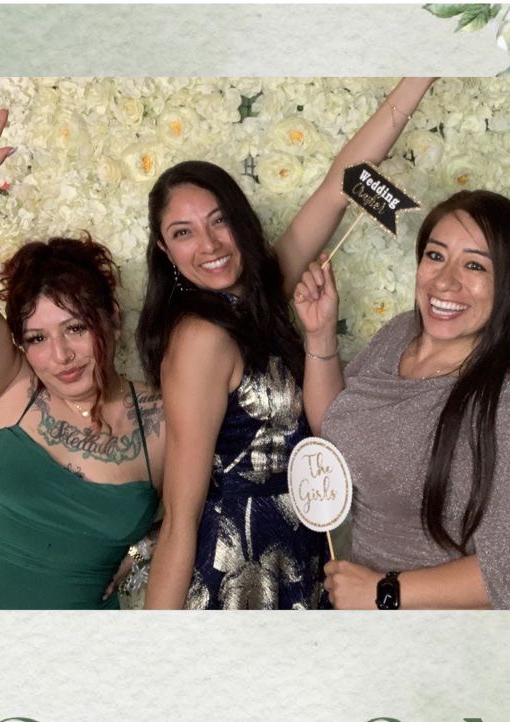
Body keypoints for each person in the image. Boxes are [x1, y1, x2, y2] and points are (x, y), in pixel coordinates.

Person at [140, 78, 435, 610]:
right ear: (165, 250)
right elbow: (181, 514)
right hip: (239, 566)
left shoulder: (259, 296)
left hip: (297, 544)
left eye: (219, 221)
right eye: (183, 233)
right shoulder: (199, 339)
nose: (208, 245)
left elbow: (339, 185)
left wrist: (418, 80)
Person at [0, 100, 163, 610]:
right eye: (36, 337)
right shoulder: (8, 387)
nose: (60, 354)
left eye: (76, 327)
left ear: (113, 318)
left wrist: (146, 547)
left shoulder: (167, 417)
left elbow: (218, 504)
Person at [293, 190, 510, 609]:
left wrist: (385, 591)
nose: (445, 281)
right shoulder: (399, 335)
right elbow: (334, 427)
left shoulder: (504, 408)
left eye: (474, 265)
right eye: (436, 256)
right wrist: (319, 334)